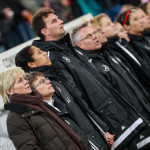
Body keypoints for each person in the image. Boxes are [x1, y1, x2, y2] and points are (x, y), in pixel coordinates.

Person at [31, 8, 146, 150]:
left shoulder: (69, 48)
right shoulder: (52, 58)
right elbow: (76, 97)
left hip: (121, 114)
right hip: (110, 123)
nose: (61, 21)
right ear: (45, 32)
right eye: (54, 21)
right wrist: (102, 128)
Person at [15, 45, 115, 149]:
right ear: (32, 64)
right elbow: (71, 123)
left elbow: (82, 107)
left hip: (96, 138)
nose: (45, 53)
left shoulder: (54, 77)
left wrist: (102, 130)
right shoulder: (46, 89)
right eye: (39, 52)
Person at [0, 67, 87, 150]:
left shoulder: (38, 104)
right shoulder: (15, 118)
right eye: (20, 81)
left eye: (24, 78)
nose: (26, 82)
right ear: (9, 91)